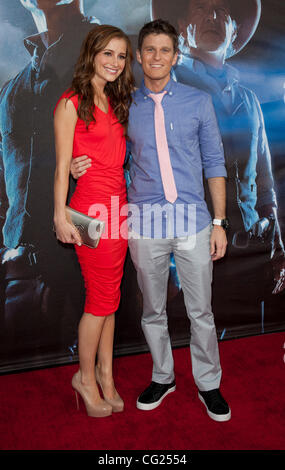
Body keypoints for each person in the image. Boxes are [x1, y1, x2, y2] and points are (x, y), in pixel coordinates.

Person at [72, 19, 231, 422]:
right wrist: (80, 167)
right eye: (149, 50)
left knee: (201, 312)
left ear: (176, 57)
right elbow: (106, 150)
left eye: (165, 50)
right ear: (139, 58)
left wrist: (219, 222)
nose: (157, 57)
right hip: (144, 223)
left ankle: (208, 383)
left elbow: (214, 163)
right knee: (152, 311)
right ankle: (163, 376)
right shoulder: (125, 105)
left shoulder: (198, 102)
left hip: (194, 221)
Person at [151, 0, 285, 334]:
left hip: (251, 254)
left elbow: (264, 179)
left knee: (248, 359)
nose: (212, 16)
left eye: (222, 11)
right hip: (189, 254)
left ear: (235, 31)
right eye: (201, 8)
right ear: (183, 28)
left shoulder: (249, 99)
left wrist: (277, 246)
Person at [0, 0, 100, 361]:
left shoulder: (113, 57)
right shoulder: (13, 89)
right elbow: (7, 179)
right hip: (21, 272)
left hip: (90, 262)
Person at [53, 24, 135, 418]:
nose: (115, 63)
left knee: (111, 299)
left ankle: (106, 374)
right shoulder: (71, 103)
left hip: (118, 210)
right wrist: (58, 213)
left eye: (121, 56)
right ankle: (84, 378)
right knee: (99, 300)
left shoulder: (116, 100)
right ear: (91, 53)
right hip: (89, 213)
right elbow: (61, 167)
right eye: (108, 54)